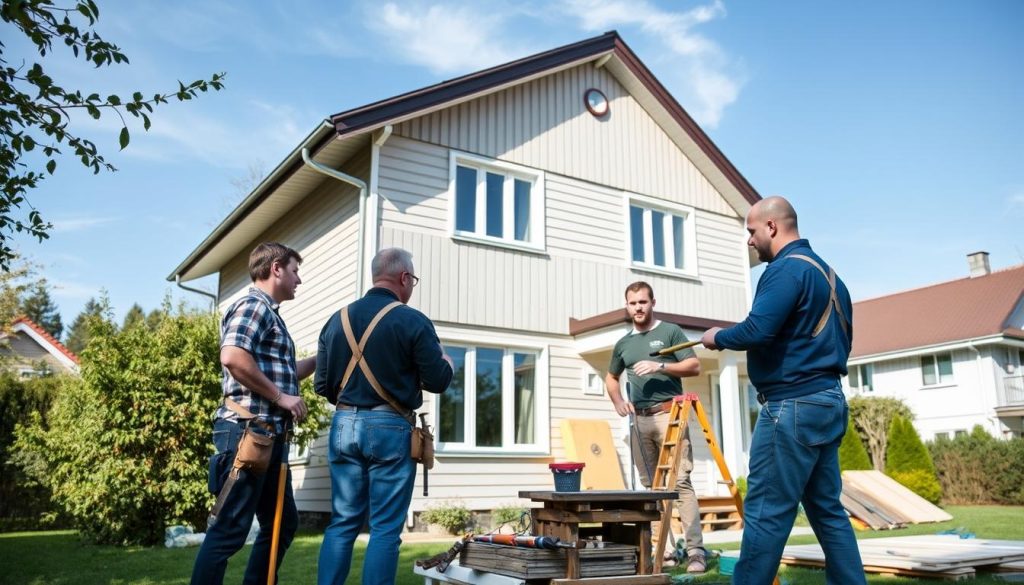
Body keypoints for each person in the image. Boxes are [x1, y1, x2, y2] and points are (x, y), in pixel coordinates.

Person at [701, 196, 866, 585]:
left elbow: (758, 329)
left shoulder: (782, 271)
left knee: (765, 514)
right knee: (827, 512)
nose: (749, 241)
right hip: (828, 402)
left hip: (791, 408)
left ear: (772, 227)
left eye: (751, 231)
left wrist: (717, 337)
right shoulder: (830, 276)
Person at [315, 247, 453, 585]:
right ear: (404, 278)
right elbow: (438, 380)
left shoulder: (337, 319)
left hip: (344, 424)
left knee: (343, 521)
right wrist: (447, 361)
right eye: (413, 280)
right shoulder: (412, 320)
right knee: (385, 528)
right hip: (390, 428)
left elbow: (321, 384)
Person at [191, 242, 316, 585]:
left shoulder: (270, 313)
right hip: (249, 435)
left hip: (269, 437)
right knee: (229, 529)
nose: (298, 280)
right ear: (276, 268)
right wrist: (282, 398)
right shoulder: (252, 305)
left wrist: (323, 358)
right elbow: (232, 356)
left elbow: (284, 370)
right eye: (294, 271)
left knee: (281, 522)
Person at [605, 281, 706, 574]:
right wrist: (618, 402)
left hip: (669, 415)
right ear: (627, 306)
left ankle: (696, 552)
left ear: (652, 302)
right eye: (633, 303)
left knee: (680, 483)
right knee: (651, 489)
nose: (638, 307)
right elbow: (612, 378)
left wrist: (660, 366)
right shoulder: (623, 344)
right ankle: (664, 552)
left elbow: (694, 366)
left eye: (643, 302)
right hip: (640, 421)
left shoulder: (669, 331)